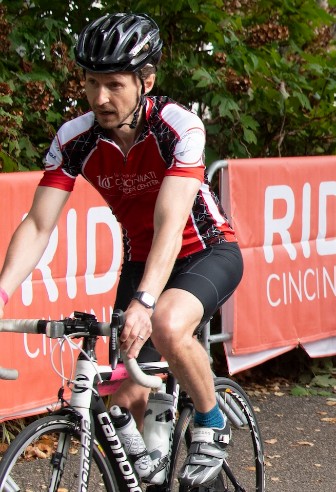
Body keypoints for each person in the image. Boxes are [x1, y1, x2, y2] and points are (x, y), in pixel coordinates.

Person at [0, 13, 242, 487]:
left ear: (146, 80)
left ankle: (212, 424)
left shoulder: (178, 126)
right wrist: (3, 292)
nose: (100, 98)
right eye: (91, 83)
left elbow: (171, 226)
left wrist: (146, 302)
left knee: (169, 325)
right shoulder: (76, 139)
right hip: (140, 261)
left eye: (114, 84)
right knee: (123, 400)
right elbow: (38, 224)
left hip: (206, 252)